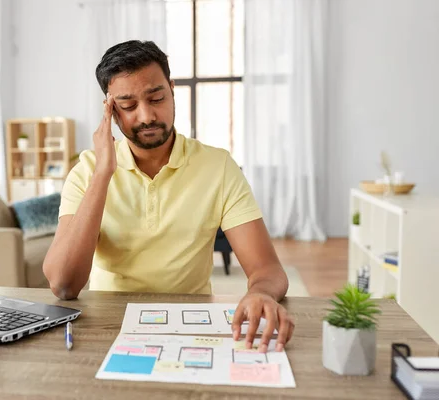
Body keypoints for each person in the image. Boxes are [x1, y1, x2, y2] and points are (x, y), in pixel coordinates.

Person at [43, 40, 294, 352]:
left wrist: (262, 293)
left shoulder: (218, 166)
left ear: (172, 90)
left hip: (192, 323)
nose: (147, 116)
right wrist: (103, 173)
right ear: (110, 109)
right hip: (108, 325)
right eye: (128, 106)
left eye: (156, 98)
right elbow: (64, 285)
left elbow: (267, 270)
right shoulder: (87, 172)